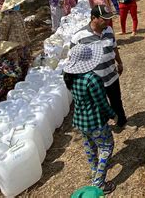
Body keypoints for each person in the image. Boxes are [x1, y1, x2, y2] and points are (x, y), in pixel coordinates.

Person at [71, 5, 136, 131]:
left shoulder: (109, 30)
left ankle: (121, 122)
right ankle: (103, 127)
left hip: (111, 75)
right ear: (93, 18)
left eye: (108, 19)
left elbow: (114, 47)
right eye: (104, 19)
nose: (107, 22)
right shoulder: (79, 37)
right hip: (94, 81)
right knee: (98, 105)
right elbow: (74, 61)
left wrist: (120, 62)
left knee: (116, 101)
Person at [63, 43, 116, 194]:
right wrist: (114, 115)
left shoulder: (69, 76)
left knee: (90, 148)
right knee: (106, 147)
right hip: (95, 122)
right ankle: (99, 182)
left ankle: (94, 172)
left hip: (80, 121)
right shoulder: (92, 78)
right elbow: (101, 103)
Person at [0, 0, 31, 77]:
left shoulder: (18, 14)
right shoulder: (7, 17)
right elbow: (3, 32)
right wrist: (3, 43)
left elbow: (23, 28)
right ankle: (18, 79)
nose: (18, 6)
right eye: (16, 5)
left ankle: (25, 76)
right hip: (14, 44)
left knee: (25, 60)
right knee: (16, 63)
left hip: (23, 41)